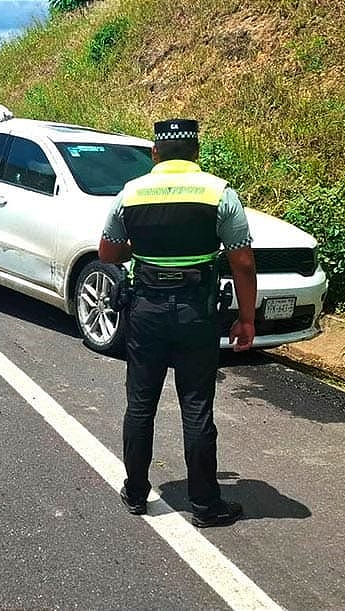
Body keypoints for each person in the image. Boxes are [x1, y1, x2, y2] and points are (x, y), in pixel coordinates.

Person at [98, 118, 257, 528]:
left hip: (146, 310)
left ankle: (135, 492)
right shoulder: (219, 192)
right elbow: (242, 261)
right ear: (197, 153)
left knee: (140, 404)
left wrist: (141, 247)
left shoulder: (129, 193)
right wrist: (246, 319)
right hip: (197, 311)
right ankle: (205, 506)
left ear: (155, 153)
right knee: (197, 407)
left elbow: (108, 254)